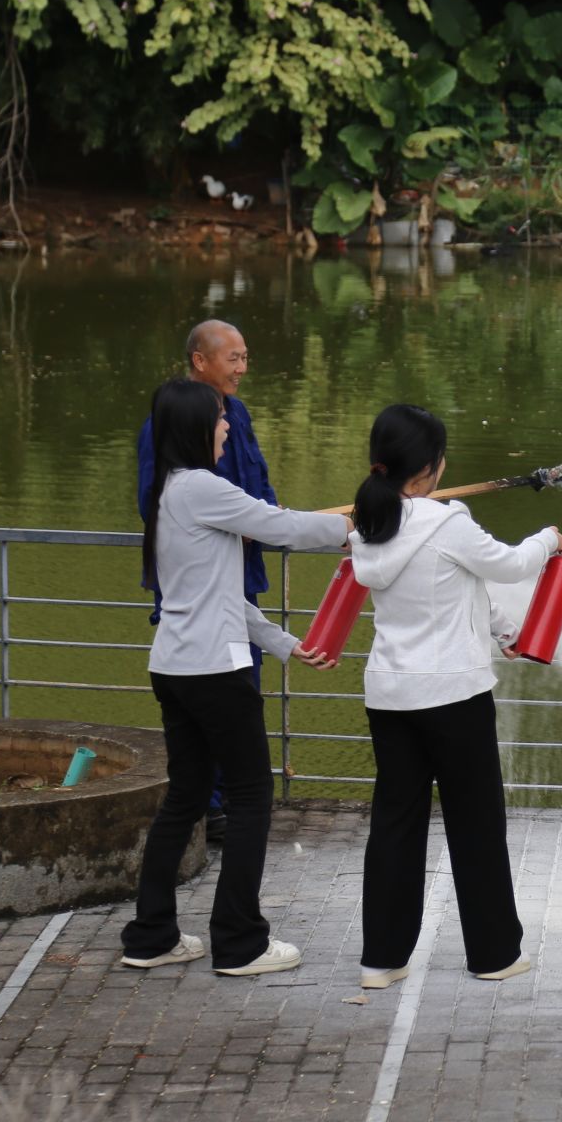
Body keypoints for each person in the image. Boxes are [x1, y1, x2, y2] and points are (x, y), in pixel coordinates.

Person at [120, 377, 348, 977]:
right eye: (220, 418)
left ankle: (151, 936)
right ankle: (241, 943)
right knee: (250, 799)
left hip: (175, 667)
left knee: (185, 798)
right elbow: (283, 526)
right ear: (195, 427)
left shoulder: (169, 492)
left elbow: (218, 596)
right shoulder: (202, 488)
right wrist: (363, 523)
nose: (227, 426)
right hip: (214, 673)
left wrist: (285, 644)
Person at [347, 403, 562, 988]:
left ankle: (381, 961)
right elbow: (512, 565)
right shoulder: (448, 523)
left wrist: (505, 632)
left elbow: (460, 586)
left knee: (395, 824)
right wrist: (549, 539)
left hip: (391, 695)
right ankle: (494, 955)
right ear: (431, 466)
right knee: (476, 824)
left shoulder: (369, 526)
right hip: (454, 695)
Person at [138, 319, 276, 844]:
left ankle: (234, 800)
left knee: (244, 689)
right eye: (233, 358)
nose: (242, 368)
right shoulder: (164, 425)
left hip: (242, 578)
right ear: (200, 360)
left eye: (245, 357)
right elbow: (155, 505)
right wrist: (232, 526)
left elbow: (261, 489)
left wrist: (265, 522)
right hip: (195, 589)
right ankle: (211, 807)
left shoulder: (237, 414)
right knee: (208, 698)